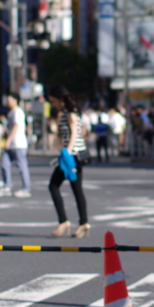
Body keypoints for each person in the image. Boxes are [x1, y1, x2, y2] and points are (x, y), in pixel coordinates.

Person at [47, 86, 90, 238]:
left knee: (55, 186)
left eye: (53, 101)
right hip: (71, 155)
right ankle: (81, 223)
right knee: (74, 189)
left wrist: (67, 152)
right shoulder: (66, 113)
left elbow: (74, 134)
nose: (53, 104)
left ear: (60, 99)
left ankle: (67, 222)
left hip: (73, 157)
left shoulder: (70, 114)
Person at [0, 94, 32, 197]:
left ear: (15, 100)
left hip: (18, 143)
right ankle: (7, 186)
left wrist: (8, 140)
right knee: (4, 164)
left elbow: (16, 126)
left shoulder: (17, 111)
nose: (8, 102)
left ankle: (26, 189)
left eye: (10, 100)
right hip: (12, 144)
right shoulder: (11, 112)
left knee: (22, 166)